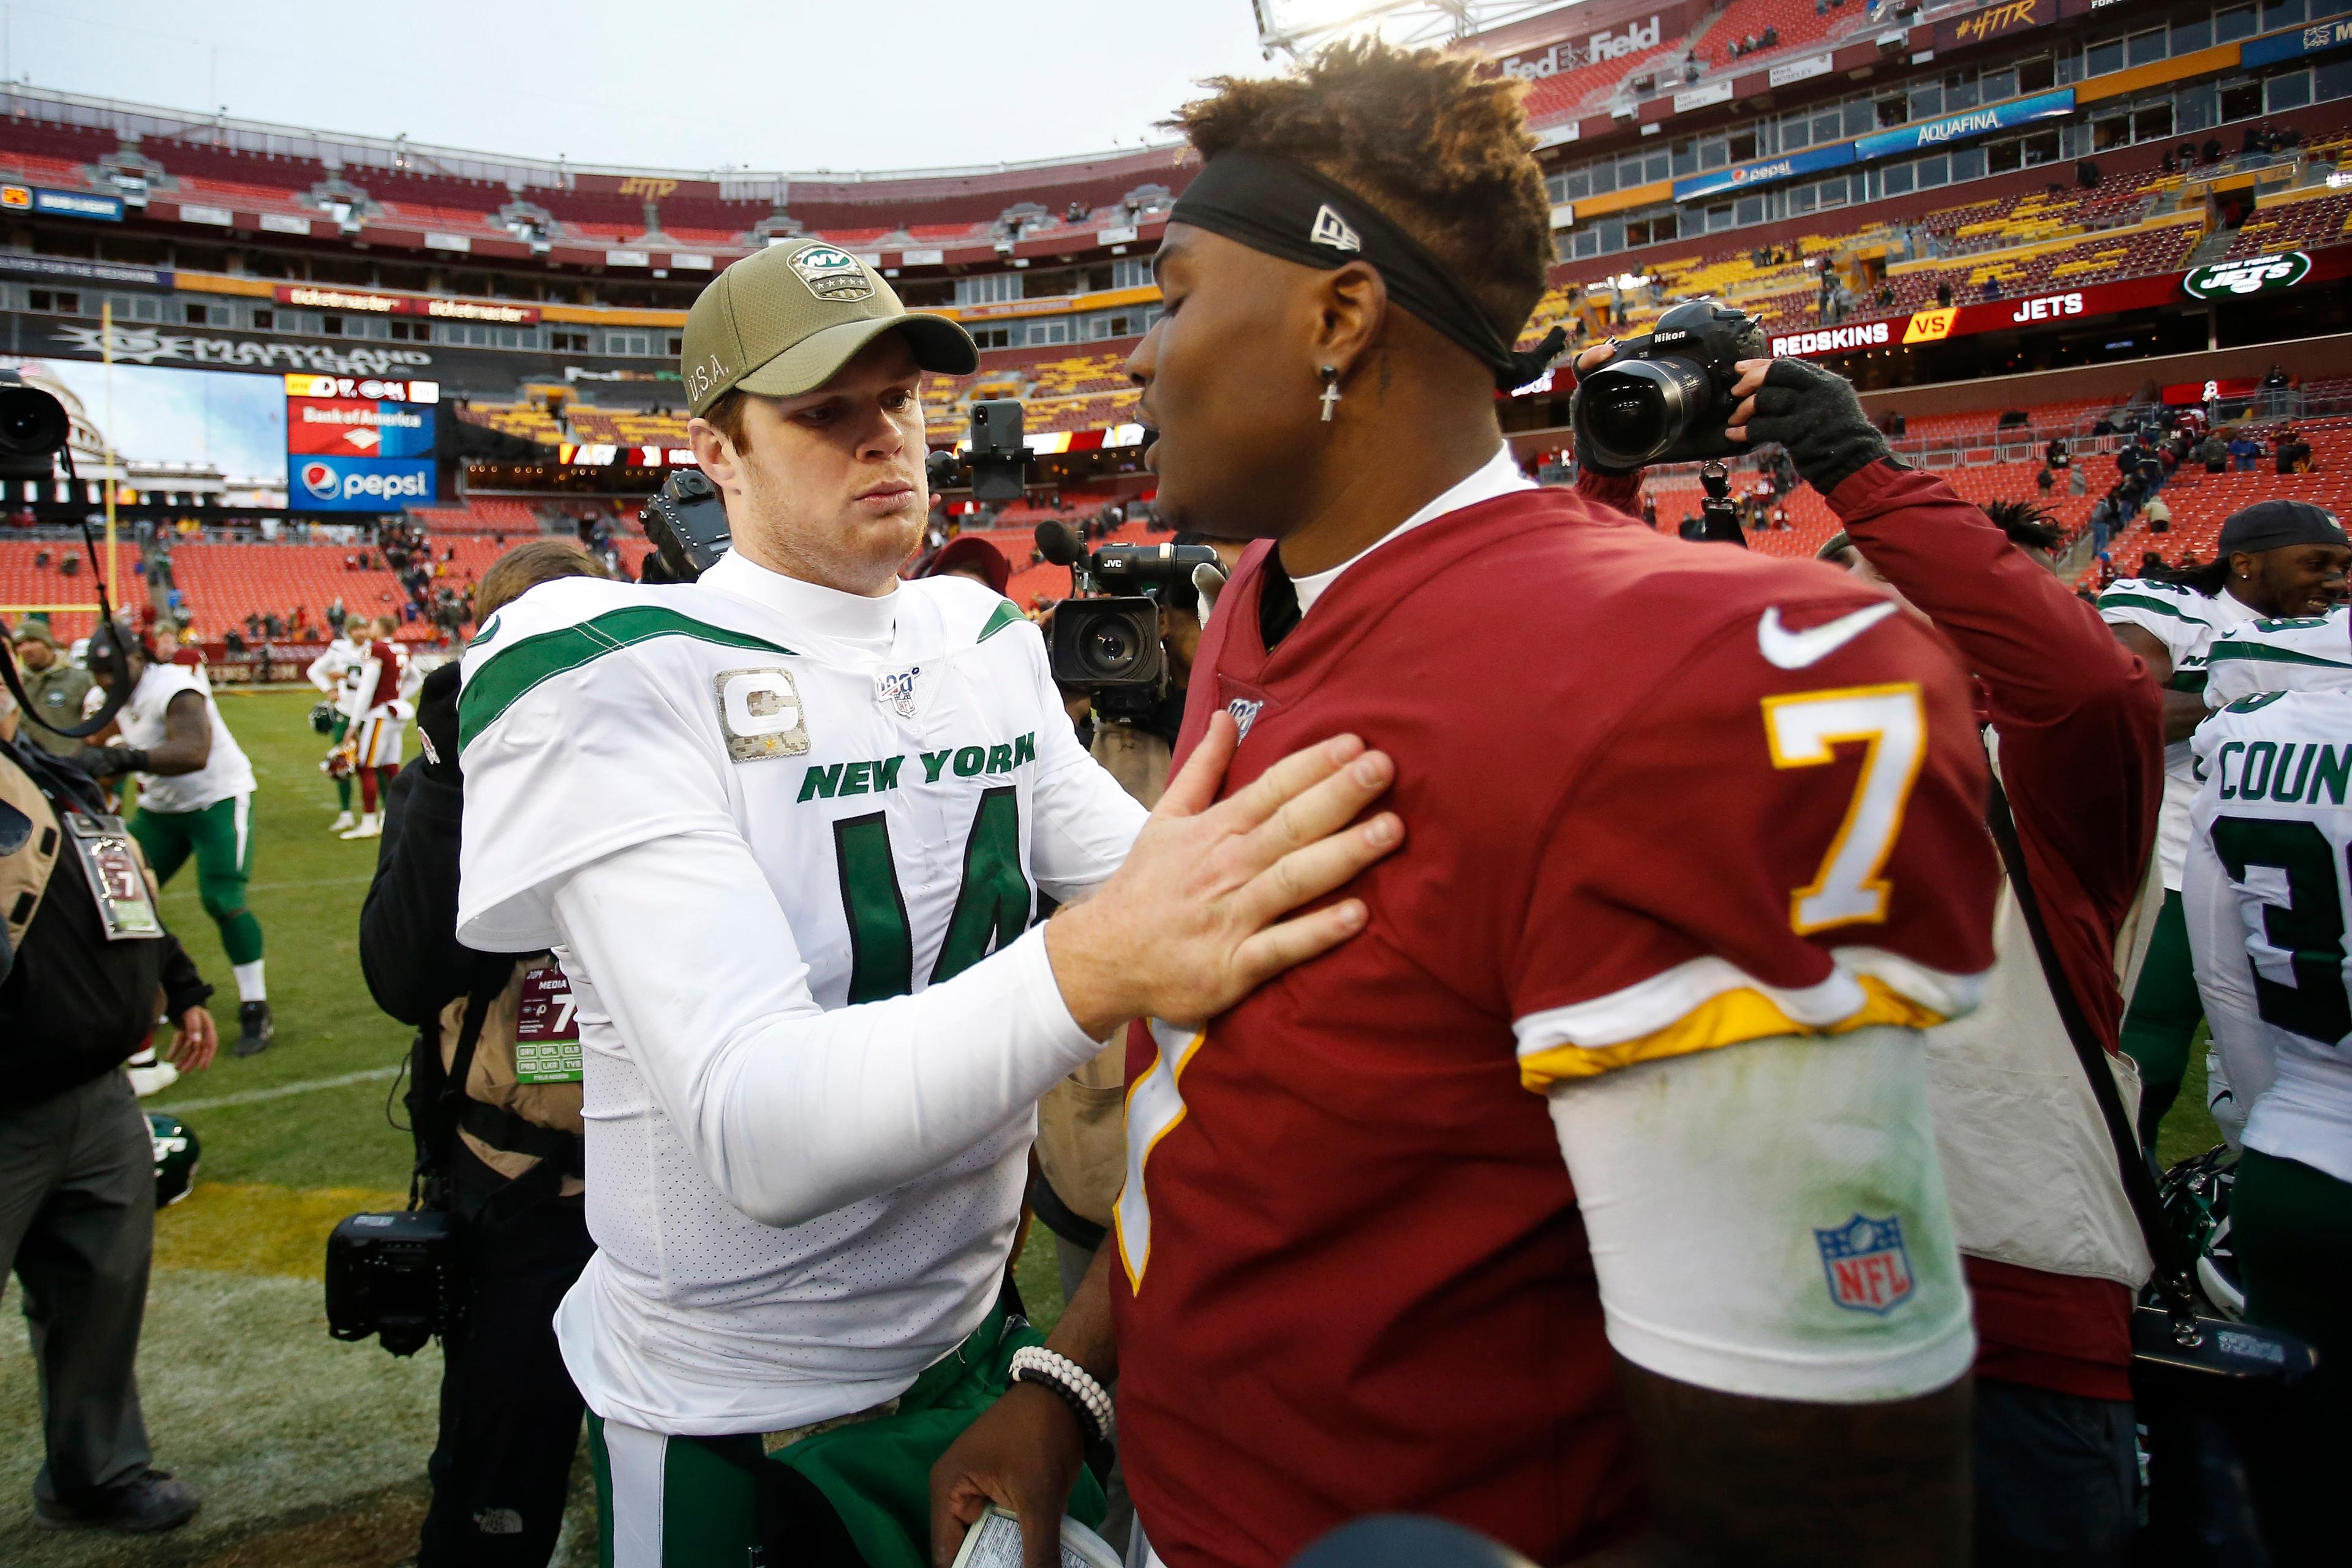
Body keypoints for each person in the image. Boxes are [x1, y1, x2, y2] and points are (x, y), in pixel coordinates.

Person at [935, 42, 1997, 1568]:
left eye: (1168, 295)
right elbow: (1223, 1091)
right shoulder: (1263, 588)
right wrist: (1071, 1380)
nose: (1135, 356)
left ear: (1336, 315)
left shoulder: (1679, 678)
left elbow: (1826, 1500)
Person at [453, 236, 1400, 1568]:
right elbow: (758, 1127)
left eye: (897, 400)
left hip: (976, 1347)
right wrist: (1099, 964)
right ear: (716, 450)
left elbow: (1167, 888)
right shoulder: (619, 670)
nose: (881, 439)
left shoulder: (979, 640)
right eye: (822, 412)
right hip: (735, 1411)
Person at [1793, 436, 2162, 1564]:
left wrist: (1854, 464)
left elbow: (2091, 686)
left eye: (1910, 605)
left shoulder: (2045, 799)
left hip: (2010, 1303)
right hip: (1776, 1305)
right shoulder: (1759, 777)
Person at [362, 540, 611, 1568]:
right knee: (497, 1488)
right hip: (526, 1194)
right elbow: (402, 974)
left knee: (698, 1471)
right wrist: (456, 770)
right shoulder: (449, 786)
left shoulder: (672, 753)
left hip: (683, 1190)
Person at [1, 706, 217, 1533]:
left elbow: (117, 886)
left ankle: (96, 1472)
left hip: (94, 1094)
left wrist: (181, 982)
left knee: (99, 1294)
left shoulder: (48, 776)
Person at [2100, 503, 2352, 1147]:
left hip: (2312, 863)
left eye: (2343, 567)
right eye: (2316, 563)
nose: (2334, 580)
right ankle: (2134, 1186)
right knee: (2152, 1045)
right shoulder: (2180, 611)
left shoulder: (2330, 633)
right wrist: (2239, 698)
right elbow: (2118, 711)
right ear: (2246, 563)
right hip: (2183, 853)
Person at [2187, 609, 2352, 1566]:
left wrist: (2261, 1126)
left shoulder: (2246, 746)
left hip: (2296, 1157)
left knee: (2304, 1497)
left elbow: (2225, 985)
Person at [76, 619, 273, 1057]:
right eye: (100, 675)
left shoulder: (173, 686)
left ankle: (255, 1004)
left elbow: (193, 750)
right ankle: (151, 995)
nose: (109, 683)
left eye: (115, 672)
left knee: (222, 898)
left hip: (216, 798)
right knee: (122, 898)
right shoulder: (108, 696)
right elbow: (91, 743)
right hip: (162, 809)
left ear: (138, 659)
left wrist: (121, 757)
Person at [341, 616, 417, 842]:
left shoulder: (378, 649)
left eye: (372, 625)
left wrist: (354, 723)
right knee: (391, 766)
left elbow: (367, 687)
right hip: (396, 712)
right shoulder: (401, 649)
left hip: (381, 713)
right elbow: (416, 679)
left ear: (380, 627)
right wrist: (399, 697)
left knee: (367, 766)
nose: (368, 630)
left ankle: (368, 821)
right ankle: (397, 816)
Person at [306, 622, 368, 831]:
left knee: (374, 764)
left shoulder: (374, 647)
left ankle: (381, 813)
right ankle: (346, 813)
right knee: (342, 764)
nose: (362, 632)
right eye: (358, 629)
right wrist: (328, 689)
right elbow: (314, 671)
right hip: (345, 710)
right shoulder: (339, 648)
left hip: (369, 712)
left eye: (365, 628)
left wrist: (346, 678)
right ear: (350, 631)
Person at [9, 621, 92, 760]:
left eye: (33, 641)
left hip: (72, 765)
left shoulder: (81, 680)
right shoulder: (15, 686)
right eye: (20, 644)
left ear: (48, 643)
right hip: (29, 766)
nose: (26, 648)